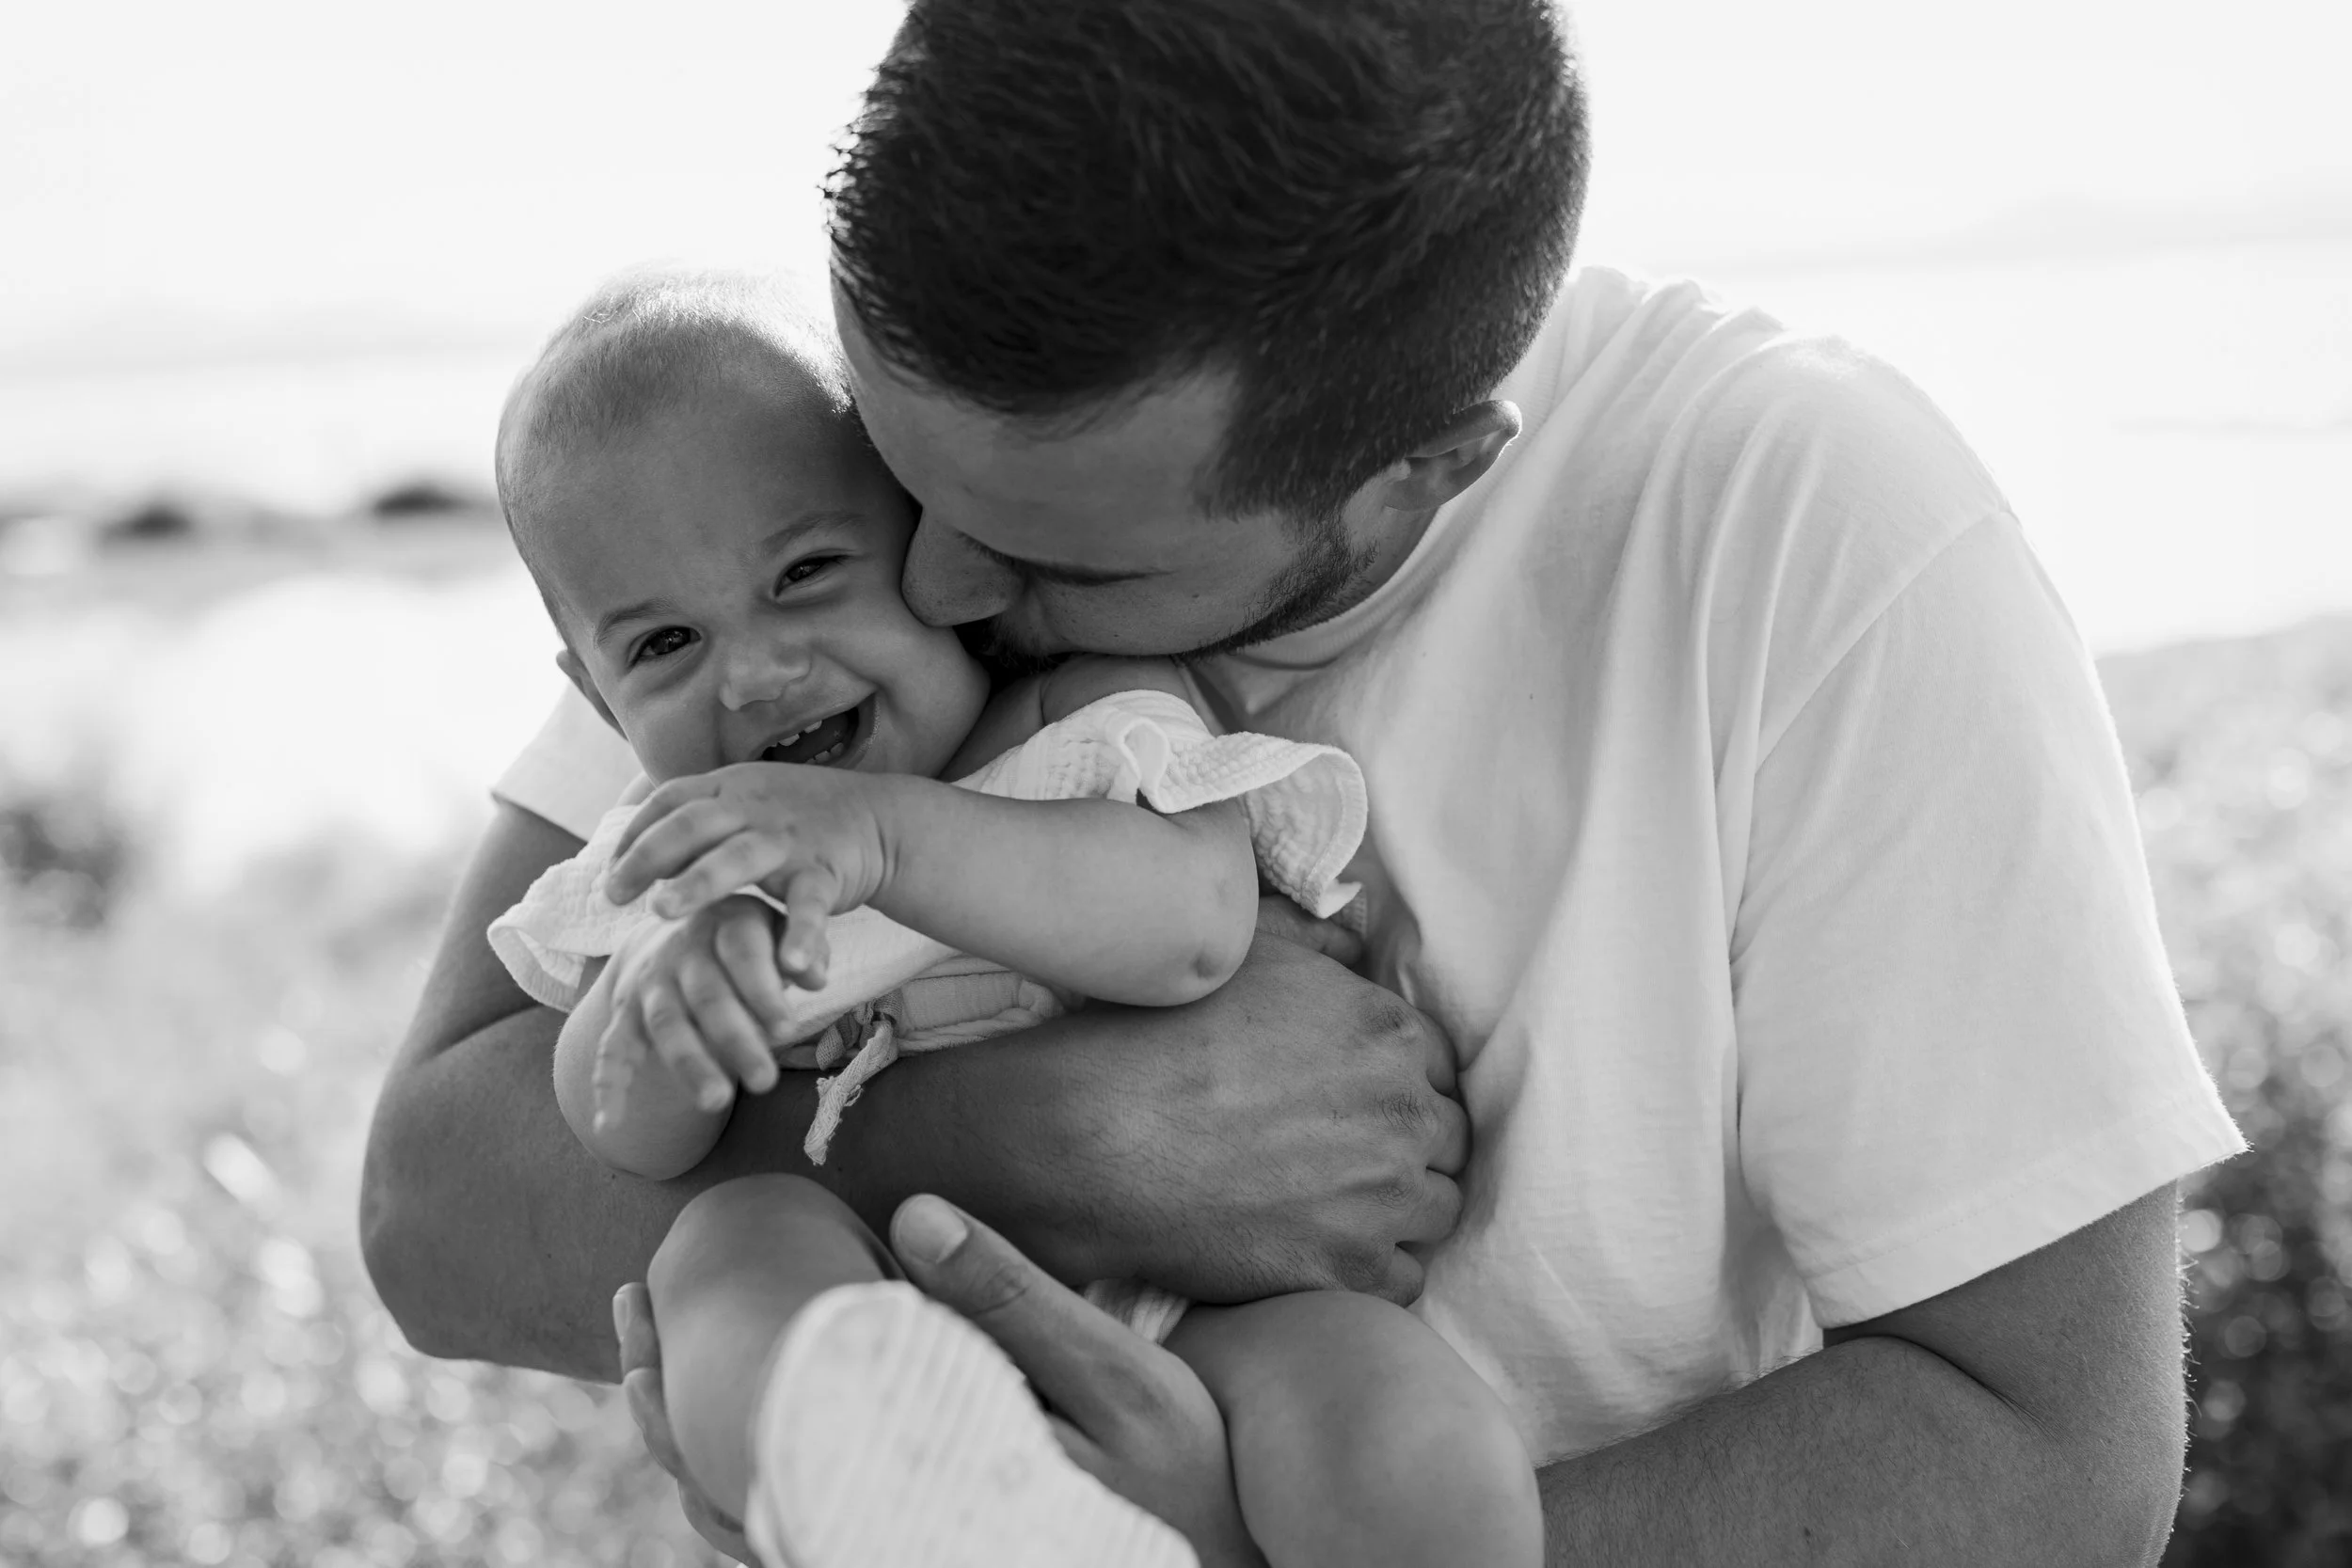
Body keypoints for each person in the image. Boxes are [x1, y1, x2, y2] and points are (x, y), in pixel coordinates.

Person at [361, 2, 2244, 1561]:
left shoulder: (1801, 531)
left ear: (1422, 471)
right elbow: (435, 1214)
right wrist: (1025, 1141)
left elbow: (2047, 1455)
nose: (931, 588)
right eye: (896, 483)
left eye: (1056, 569)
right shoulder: (787, 520)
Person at [479, 267, 1540, 1567]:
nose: (755, 671)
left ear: (938, 549)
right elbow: (622, 1131)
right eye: (659, 647)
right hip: (887, 1307)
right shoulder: (685, 854)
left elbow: (1193, 925)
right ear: (593, 701)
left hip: (1208, 1307)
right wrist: (664, 1018)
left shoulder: (1077, 719)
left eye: (807, 572)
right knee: (725, 1247)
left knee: (1405, 1435)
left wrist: (882, 840)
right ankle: (886, 1493)